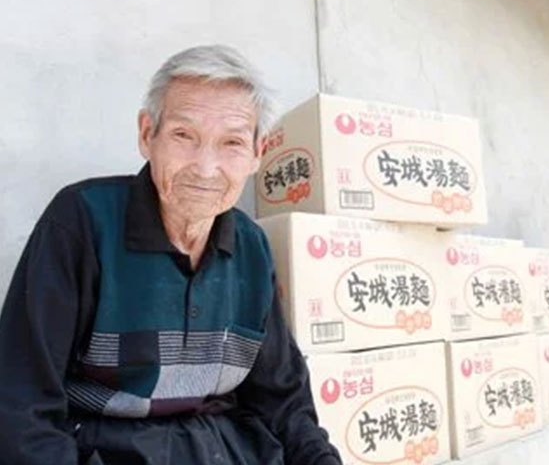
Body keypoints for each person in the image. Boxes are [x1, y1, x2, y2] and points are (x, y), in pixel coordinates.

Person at [0, 45, 341, 465]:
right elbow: (21, 403)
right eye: (184, 136)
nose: (205, 167)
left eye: (232, 142)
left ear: (257, 153)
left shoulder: (251, 246)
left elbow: (284, 401)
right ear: (147, 135)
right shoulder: (81, 222)